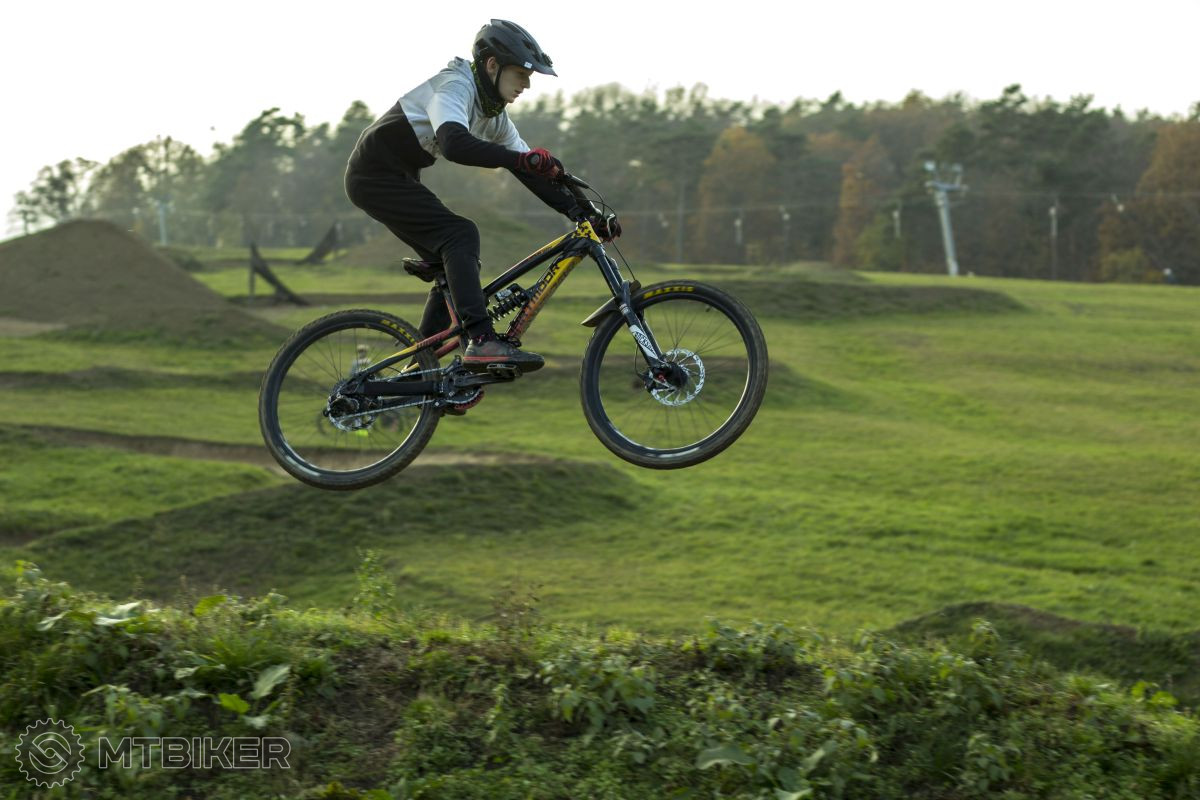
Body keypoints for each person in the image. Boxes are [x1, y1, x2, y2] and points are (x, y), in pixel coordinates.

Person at [344, 19, 620, 375]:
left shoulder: (493, 115)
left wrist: (584, 211)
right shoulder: (454, 86)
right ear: (492, 65)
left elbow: (530, 170)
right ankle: (481, 340)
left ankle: (420, 369)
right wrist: (519, 160)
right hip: (372, 176)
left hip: (397, 177)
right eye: (521, 74)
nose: (527, 84)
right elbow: (454, 144)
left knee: (454, 261)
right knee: (461, 234)